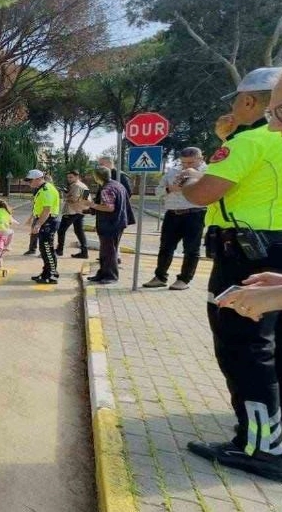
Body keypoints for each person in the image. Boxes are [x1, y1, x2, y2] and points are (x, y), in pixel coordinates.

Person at [178, 67, 282, 480]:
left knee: (243, 348)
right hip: (275, 249)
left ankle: (259, 446)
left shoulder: (253, 140)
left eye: (236, 101)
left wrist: (190, 179)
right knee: (272, 347)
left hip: (246, 253)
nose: (231, 108)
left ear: (252, 102)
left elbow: (204, 192)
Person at [142, 147, 207, 291]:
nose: (186, 166)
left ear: (201, 159)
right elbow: (158, 192)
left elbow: (213, 191)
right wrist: (170, 189)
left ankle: (184, 279)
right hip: (172, 214)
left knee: (191, 249)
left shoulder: (207, 172)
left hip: (195, 214)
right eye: (184, 163)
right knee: (165, 247)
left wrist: (194, 179)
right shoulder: (172, 171)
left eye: (191, 163)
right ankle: (160, 277)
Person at [79, 166, 129, 285]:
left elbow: (109, 208)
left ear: (97, 177)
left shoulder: (106, 189)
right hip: (117, 222)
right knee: (106, 250)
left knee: (109, 251)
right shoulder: (117, 185)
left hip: (110, 224)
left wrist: (91, 205)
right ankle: (103, 273)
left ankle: (110, 276)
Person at [26, 169, 60, 285]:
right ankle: (46, 273)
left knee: (47, 249)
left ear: (38, 179)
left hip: (48, 222)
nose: (29, 183)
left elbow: (46, 210)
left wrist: (38, 224)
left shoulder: (46, 190)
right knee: (44, 249)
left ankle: (52, 275)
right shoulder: (42, 189)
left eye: (30, 180)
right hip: (45, 221)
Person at [55, 170, 89, 259]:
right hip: (81, 211)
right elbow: (86, 198)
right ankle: (84, 252)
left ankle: (59, 250)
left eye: (71, 177)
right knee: (79, 231)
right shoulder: (84, 186)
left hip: (72, 211)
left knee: (61, 230)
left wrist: (66, 195)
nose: (69, 179)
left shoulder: (76, 186)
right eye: (68, 177)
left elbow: (73, 199)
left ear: (77, 177)